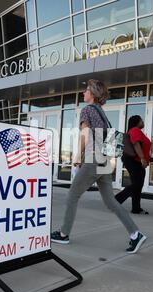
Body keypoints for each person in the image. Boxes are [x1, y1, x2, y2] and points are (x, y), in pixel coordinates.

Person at [51, 79, 147, 254]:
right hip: (104, 160)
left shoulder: (87, 110)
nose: (83, 93)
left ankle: (64, 233)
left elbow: (85, 134)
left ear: (93, 94)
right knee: (111, 201)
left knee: (72, 195)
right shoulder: (102, 113)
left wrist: (78, 157)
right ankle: (135, 233)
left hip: (93, 158)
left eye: (86, 90)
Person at [115, 115, 151, 215]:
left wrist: (147, 157)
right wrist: (143, 158)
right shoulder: (135, 130)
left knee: (138, 185)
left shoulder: (135, 131)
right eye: (141, 120)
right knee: (137, 184)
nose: (143, 122)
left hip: (135, 161)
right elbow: (135, 143)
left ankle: (136, 208)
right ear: (137, 122)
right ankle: (115, 200)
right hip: (134, 161)